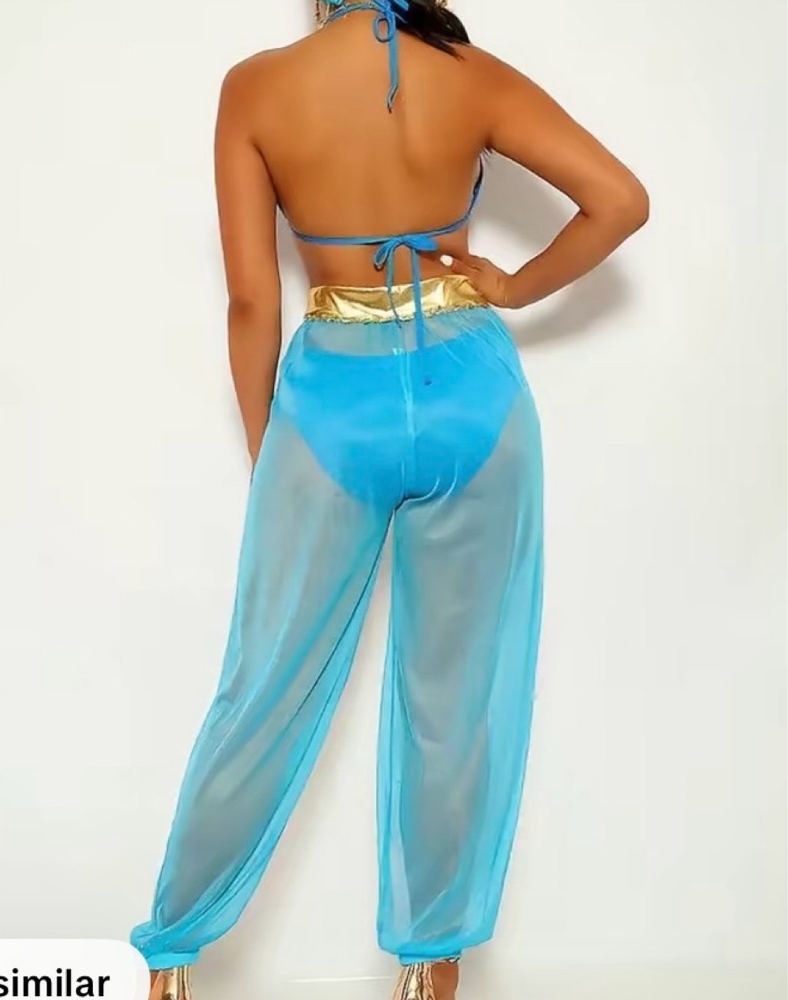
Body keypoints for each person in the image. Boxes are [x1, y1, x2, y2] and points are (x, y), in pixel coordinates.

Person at [134, 1, 648, 997]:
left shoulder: (257, 86)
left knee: (264, 686)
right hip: (474, 393)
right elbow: (620, 200)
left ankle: (170, 960)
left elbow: (251, 301)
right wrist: (512, 286)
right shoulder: (470, 73)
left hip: (333, 402)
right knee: (458, 696)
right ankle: (434, 970)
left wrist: (275, 451)